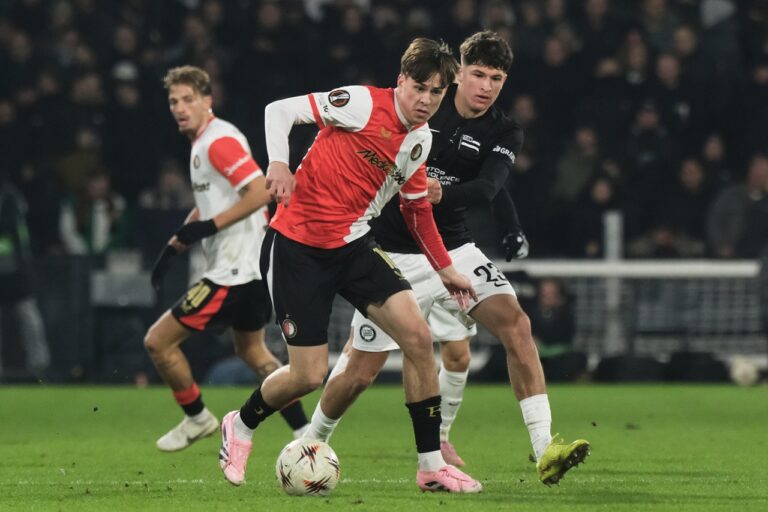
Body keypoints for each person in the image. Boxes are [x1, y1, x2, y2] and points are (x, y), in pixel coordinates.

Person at [302, 31, 590, 485]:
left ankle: (544, 448)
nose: (486, 86)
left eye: (496, 78)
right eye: (478, 75)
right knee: (359, 373)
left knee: (516, 324)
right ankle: (307, 444)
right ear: (458, 73)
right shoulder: (421, 108)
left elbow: (490, 188)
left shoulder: (503, 129)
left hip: (454, 249)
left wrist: (447, 197)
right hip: (394, 255)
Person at [218, 38, 483, 493]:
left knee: (419, 337)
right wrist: (278, 164)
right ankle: (240, 425)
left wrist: (444, 268)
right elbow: (279, 111)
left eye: (436, 92)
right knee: (308, 376)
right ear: (401, 81)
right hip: (297, 248)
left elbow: (417, 210)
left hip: (353, 246)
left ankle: (430, 466)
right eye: (419, 87)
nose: (425, 100)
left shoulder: (419, 141)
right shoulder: (361, 103)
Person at [144, 65, 308, 453]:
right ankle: (305, 433)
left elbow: (259, 191)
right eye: (173, 101)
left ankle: (197, 417)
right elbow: (216, 203)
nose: (179, 108)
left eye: (188, 99)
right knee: (252, 351)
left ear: (207, 100)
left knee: (158, 342)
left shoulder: (216, 142)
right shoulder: (208, 141)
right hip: (250, 266)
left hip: (233, 270)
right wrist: (178, 241)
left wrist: (208, 227)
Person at [0, 175, 50, 379]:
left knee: (29, 315)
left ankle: (40, 365)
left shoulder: (10, 197)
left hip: (16, 270)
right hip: (12, 266)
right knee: (29, 316)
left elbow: (16, 233)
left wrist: (24, 265)